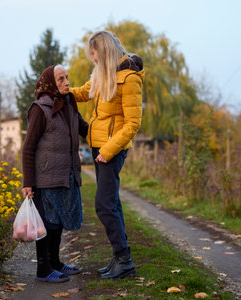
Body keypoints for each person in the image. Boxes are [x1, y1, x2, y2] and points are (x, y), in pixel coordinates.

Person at [70, 30, 145, 279]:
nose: (93, 60)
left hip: (111, 150)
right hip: (98, 145)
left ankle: (124, 260)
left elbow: (132, 124)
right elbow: (83, 92)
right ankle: (120, 258)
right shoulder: (102, 75)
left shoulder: (130, 78)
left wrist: (108, 150)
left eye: (94, 54)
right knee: (112, 203)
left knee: (103, 205)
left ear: (104, 52)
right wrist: (59, 91)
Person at [22, 64, 89, 283]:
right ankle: (43, 269)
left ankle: (56, 263)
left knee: (58, 222)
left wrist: (111, 134)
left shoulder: (69, 104)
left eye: (68, 78)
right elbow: (28, 148)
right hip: (46, 177)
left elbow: (85, 129)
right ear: (50, 83)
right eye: (61, 79)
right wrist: (28, 183)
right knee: (47, 224)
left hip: (66, 174)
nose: (67, 82)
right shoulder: (39, 109)